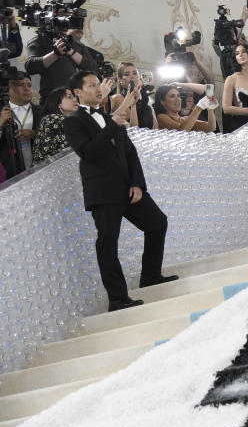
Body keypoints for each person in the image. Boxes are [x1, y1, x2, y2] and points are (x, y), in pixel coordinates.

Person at [64, 70, 177, 312]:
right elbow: (88, 153)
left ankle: (150, 277)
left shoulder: (107, 117)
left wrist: (137, 183)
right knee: (108, 242)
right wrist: (112, 125)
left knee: (157, 223)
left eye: (98, 84)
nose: (97, 88)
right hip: (103, 191)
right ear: (77, 92)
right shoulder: (73, 121)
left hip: (128, 188)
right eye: (91, 85)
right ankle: (117, 298)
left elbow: (129, 151)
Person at [24, 28, 99, 100]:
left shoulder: (78, 45)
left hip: (75, 99)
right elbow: (30, 67)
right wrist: (55, 54)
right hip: (52, 99)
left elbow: (93, 69)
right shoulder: (42, 39)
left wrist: (71, 52)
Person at [0, 73, 42, 177]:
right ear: (8, 89)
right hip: (10, 174)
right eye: (20, 85)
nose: (27, 88)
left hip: (40, 170)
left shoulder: (42, 111)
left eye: (29, 85)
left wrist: (35, 134)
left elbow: (53, 137)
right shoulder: (1, 113)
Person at [33, 86, 80, 163]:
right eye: (69, 97)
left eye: (74, 97)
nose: (75, 99)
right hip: (48, 172)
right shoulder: (51, 119)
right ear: (58, 103)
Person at [111, 63, 155, 130]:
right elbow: (133, 129)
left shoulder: (145, 98)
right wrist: (133, 105)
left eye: (134, 73)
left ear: (138, 76)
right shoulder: (118, 98)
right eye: (127, 74)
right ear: (120, 80)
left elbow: (155, 128)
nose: (132, 77)